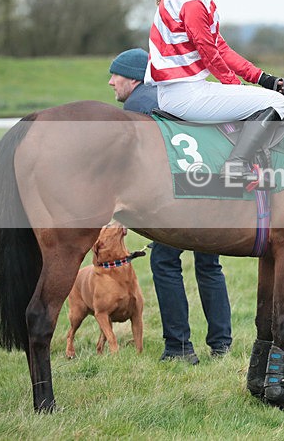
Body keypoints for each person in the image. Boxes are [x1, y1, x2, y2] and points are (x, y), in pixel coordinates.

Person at [108, 48, 233, 364]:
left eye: (116, 75)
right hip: (212, 188)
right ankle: (221, 345)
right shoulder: (173, 96)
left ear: (134, 79)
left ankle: (178, 347)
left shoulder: (138, 106)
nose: (111, 82)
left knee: (164, 260)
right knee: (209, 265)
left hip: (181, 195)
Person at [145, 0, 284, 186]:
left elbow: (221, 48)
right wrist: (236, 87)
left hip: (182, 91)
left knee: (267, 95)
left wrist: (261, 78)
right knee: (277, 103)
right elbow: (210, 54)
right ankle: (235, 166)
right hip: (185, 94)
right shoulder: (191, 0)